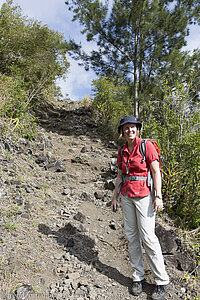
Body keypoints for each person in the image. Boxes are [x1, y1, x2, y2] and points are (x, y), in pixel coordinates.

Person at [111, 115, 169, 300]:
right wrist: (114, 197)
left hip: (144, 195)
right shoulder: (122, 150)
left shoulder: (146, 146)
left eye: (132, 127)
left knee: (148, 237)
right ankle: (138, 277)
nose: (130, 130)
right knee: (131, 236)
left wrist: (158, 196)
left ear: (137, 129)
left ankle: (161, 280)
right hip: (126, 196)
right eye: (126, 128)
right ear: (122, 131)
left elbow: (155, 172)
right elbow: (120, 175)